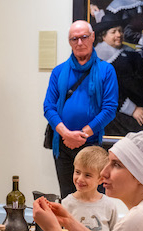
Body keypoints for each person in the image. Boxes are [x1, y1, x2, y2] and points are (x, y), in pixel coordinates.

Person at [43, 20, 118, 199]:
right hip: (62, 144)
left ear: (92, 37)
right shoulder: (59, 71)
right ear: (69, 42)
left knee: (93, 198)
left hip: (91, 146)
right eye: (74, 39)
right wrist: (66, 134)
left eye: (84, 37)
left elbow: (109, 109)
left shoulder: (106, 70)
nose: (79, 42)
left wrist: (81, 135)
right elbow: (48, 107)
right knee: (68, 198)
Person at [93, 20, 143, 138]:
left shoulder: (124, 49)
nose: (119, 34)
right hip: (117, 108)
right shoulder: (99, 60)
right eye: (113, 32)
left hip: (135, 96)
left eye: (120, 31)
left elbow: (138, 65)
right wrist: (133, 110)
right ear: (103, 36)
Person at [61, 145, 118, 231]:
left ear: (101, 179)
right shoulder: (66, 204)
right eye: (77, 172)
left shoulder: (109, 205)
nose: (80, 179)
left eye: (87, 175)